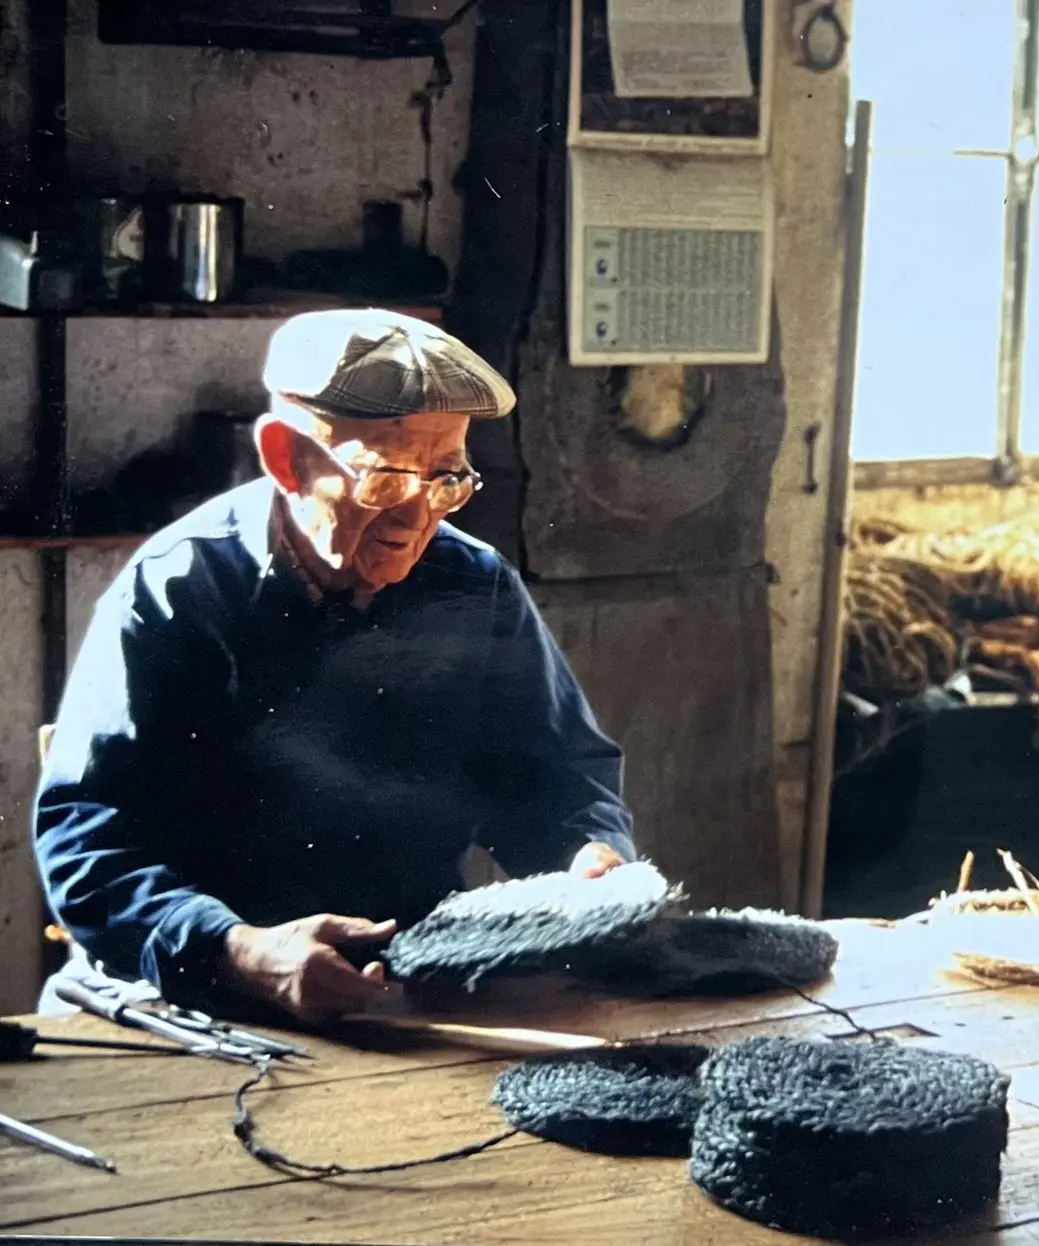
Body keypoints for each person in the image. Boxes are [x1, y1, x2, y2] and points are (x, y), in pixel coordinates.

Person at [34, 309, 636, 1026]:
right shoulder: (177, 590)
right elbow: (86, 839)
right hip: (198, 991)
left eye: (445, 476)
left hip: (404, 988)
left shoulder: (474, 586)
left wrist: (588, 855)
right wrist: (238, 951)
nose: (417, 517)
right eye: (386, 476)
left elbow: (559, 777)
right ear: (286, 457)